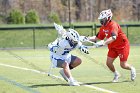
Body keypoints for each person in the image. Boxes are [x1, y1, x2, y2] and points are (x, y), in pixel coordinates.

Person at [88, 9, 136, 82]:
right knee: (108, 63)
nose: (101, 21)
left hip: (122, 46)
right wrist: (86, 38)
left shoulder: (113, 25)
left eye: (103, 19)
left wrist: (103, 43)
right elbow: (97, 37)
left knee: (123, 65)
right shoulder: (103, 27)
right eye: (101, 19)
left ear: (108, 18)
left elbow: (114, 37)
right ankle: (116, 74)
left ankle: (132, 68)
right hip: (112, 47)